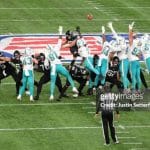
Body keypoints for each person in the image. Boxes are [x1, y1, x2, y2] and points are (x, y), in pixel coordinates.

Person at [45, 26, 78, 100]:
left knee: (53, 82)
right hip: (59, 65)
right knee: (68, 75)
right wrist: (60, 31)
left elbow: (46, 65)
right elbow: (60, 40)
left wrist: (48, 67)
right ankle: (73, 87)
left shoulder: (46, 54)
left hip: (53, 67)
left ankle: (51, 95)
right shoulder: (56, 48)